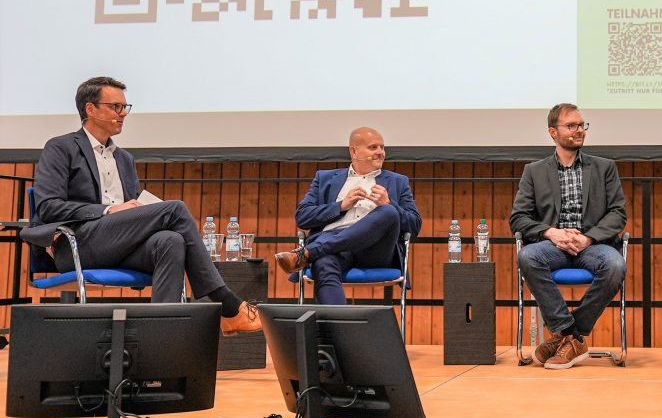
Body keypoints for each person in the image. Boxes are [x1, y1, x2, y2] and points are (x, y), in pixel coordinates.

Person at [21, 76, 261, 335]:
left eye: (125, 107)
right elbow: (48, 206)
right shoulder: (61, 147)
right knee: (175, 209)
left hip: (120, 244)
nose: (123, 114)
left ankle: (158, 343)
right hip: (79, 243)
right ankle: (225, 302)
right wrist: (107, 210)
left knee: (171, 241)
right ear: (90, 109)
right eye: (115, 107)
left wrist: (135, 209)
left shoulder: (124, 158)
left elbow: (134, 211)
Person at [510, 103, 628, 369]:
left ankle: (567, 336)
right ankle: (570, 335)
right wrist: (552, 233)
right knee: (528, 256)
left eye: (581, 125)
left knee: (615, 265)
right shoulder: (534, 171)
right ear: (553, 132)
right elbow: (518, 218)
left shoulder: (604, 167)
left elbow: (618, 214)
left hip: (593, 246)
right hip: (553, 246)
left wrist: (587, 238)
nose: (579, 131)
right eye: (571, 125)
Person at [274, 127, 421, 305]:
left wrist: (389, 203)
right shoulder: (325, 179)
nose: (381, 153)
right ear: (354, 151)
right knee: (324, 264)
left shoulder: (398, 181)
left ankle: (309, 253)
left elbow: (415, 225)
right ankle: (338, 330)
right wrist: (341, 206)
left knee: (389, 212)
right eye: (373, 147)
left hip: (375, 251)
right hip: (335, 249)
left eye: (382, 147)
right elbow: (302, 217)